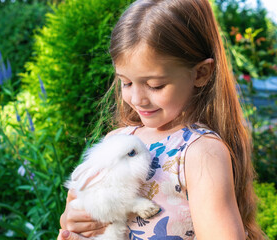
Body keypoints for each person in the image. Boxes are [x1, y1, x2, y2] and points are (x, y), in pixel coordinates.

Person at [58, 0, 265, 239]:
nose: (137, 98)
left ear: (201, 73)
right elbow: (75, 207)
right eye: (125, 82)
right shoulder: (118, 141)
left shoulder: (199, 152)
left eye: (155, 85)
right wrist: (72, 221)